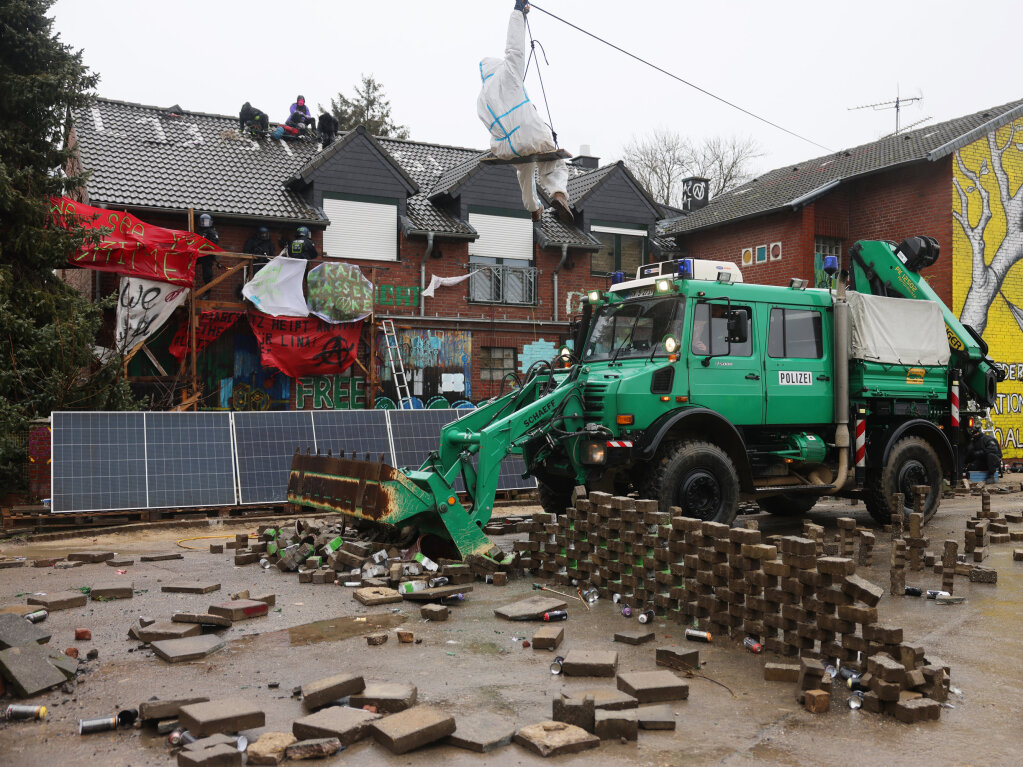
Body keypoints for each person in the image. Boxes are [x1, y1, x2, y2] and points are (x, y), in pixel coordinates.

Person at [477, 1, 573, 224]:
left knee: (525, 170)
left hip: (505, 147)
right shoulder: (509, 72)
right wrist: (519, 12)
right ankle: (558, 194)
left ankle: (533, 207)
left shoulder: (481, 99)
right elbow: (515, 47)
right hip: (530, 133)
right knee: (553, 164)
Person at [196, 212, 219, 284]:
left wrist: (205, 247)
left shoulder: (212, 231)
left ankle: (207, 292)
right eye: (203, 221)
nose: (204, 223)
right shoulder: (199, 231)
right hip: (199, 254)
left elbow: (214, 242)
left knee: (207, 273)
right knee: (189, 263)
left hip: (208, 255)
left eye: (206, 221)